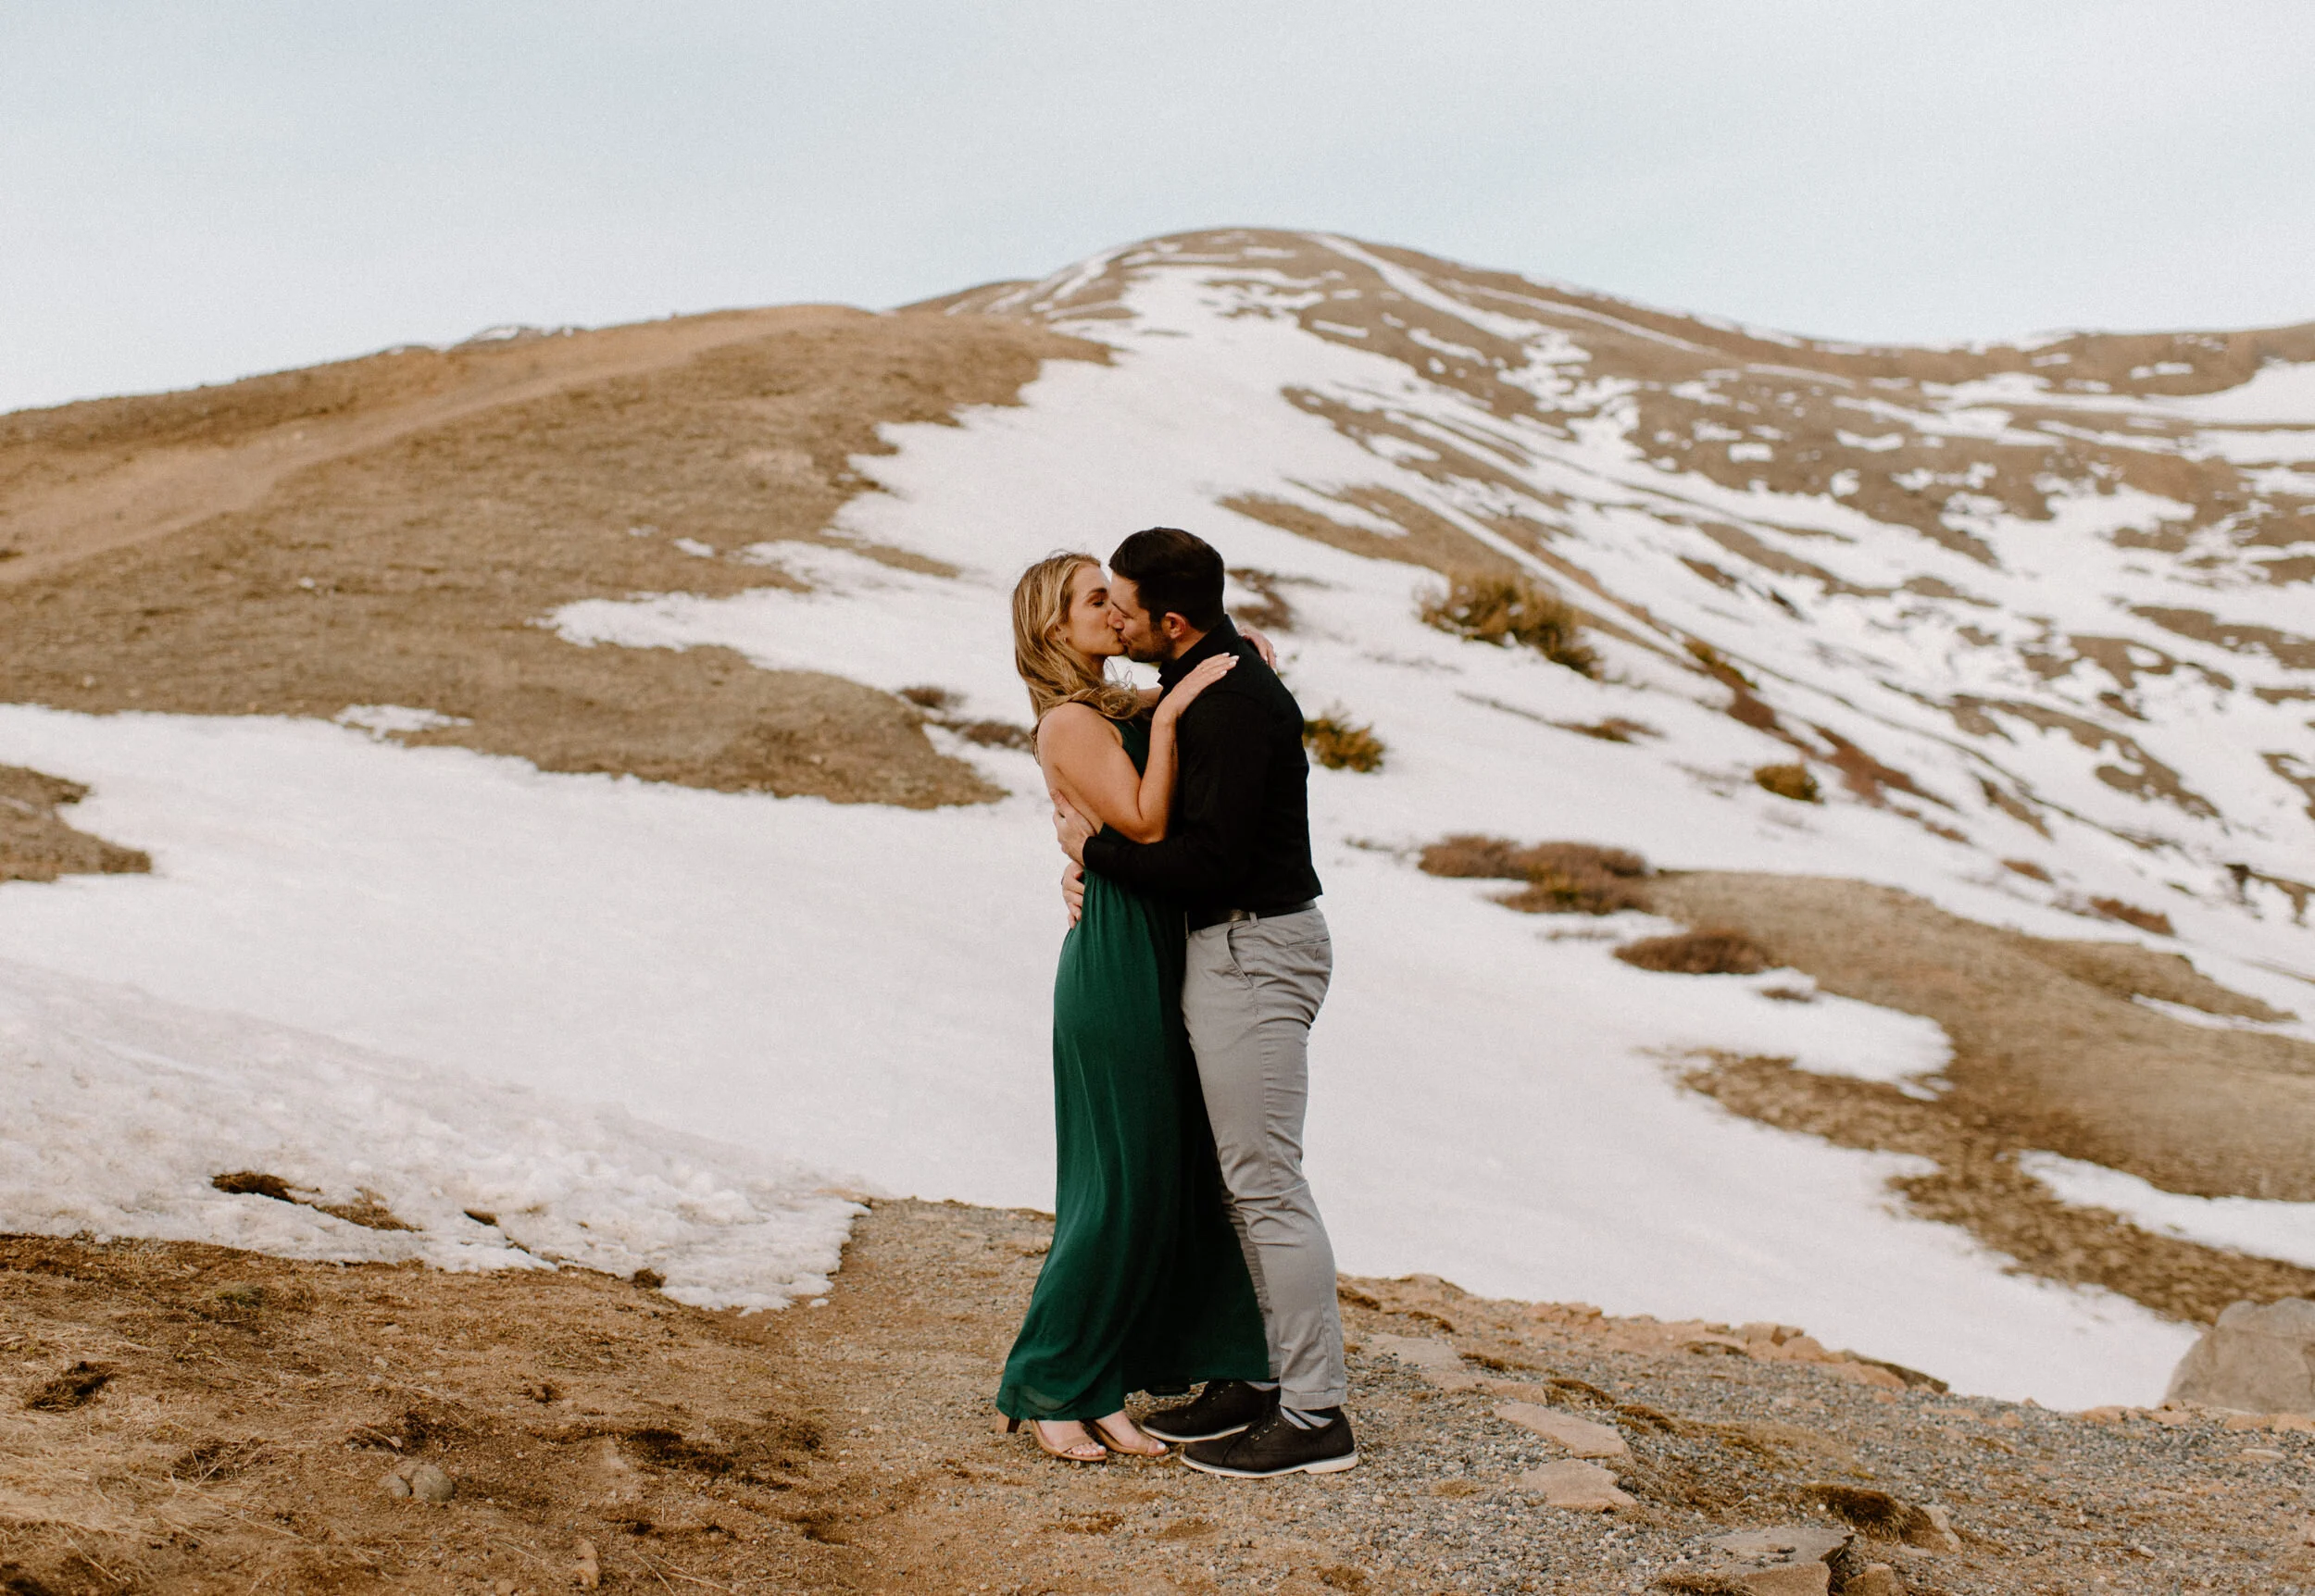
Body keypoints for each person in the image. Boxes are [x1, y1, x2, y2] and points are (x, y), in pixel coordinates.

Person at [1055, 526, 1357, 1479]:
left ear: (1171, 620)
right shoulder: (1212, 675)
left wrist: (1094, 854)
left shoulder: (1230, 700)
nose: (1114, 617)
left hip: (1254, 945)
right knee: (1231, 1179)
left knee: (1265, 1180)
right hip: (1224, 944)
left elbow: (1207, 860)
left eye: (1125, 607)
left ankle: (1315, 1414)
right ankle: (1253, 1375)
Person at [995, 551, 1272, 1464]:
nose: (1115, 611)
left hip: (1148, 950)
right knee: (1113, 1191)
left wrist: (1212, 680)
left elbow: (1238, 672)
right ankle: (1045, 1379)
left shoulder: (1114, 711)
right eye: (1092, 599)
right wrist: (1183, 709)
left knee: (1151, 1179)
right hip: (1114, 961)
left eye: (1114, 596)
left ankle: (1101, 1378)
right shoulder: (1070, 720)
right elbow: (1147, 824)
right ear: (1052, 630)